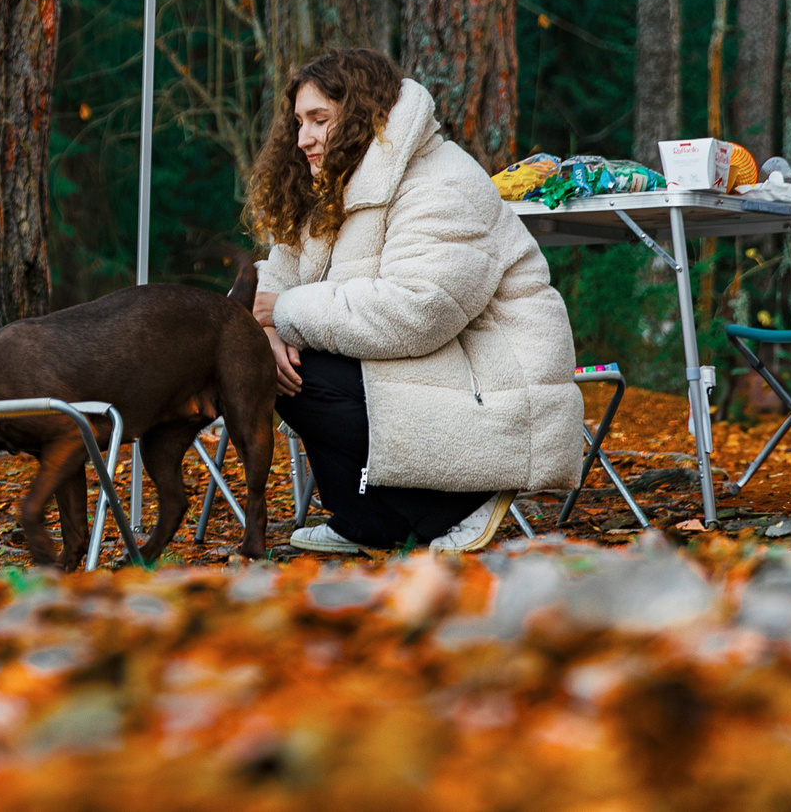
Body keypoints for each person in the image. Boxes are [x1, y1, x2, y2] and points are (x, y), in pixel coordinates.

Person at [248, 48, 587, 555]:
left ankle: (460, 504)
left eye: (319, 120)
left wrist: (284, 312)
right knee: (270, 364)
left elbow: (417, 312)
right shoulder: (330, 185)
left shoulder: (440, 180)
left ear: (362, 115)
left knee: (310, 372)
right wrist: (269, 331)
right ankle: (367, 520)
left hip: (489, 381)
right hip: (431, 366)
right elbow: (277, 276)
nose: (303, 139)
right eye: (299, 122)